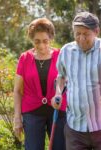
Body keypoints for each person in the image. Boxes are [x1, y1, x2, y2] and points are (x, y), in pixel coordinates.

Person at [51, 12, 101, 150]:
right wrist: (58, 93)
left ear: (96, 31)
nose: (81, 38)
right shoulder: (66, 51)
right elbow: (61, 76)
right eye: (77, 34)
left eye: (86, 34)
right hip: (75, 127)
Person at [13, 18, 67, 150]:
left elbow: (67, 81)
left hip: (58, 111)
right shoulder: (25, 58)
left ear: (51, 39)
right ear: (32, 39)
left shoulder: (61, 55)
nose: (41, 45)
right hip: (31, 113)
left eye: (45, 41)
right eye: (37, 41)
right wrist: (17, 118)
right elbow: (18, 90)